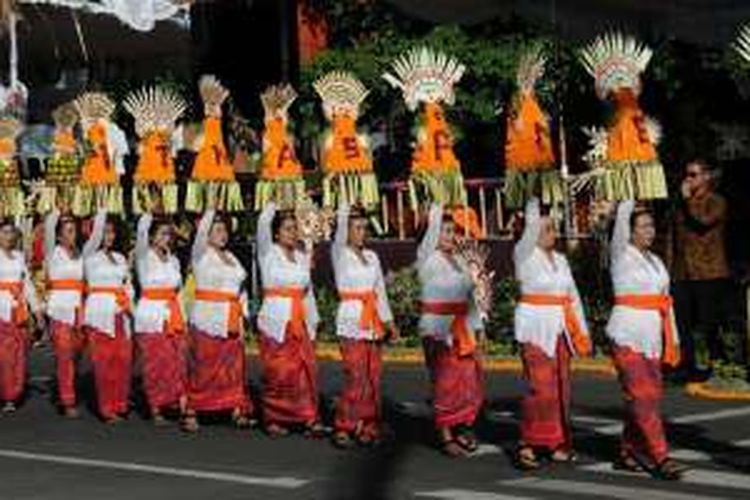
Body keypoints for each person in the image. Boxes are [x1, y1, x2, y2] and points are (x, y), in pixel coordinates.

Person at [608, 200, 686, 480]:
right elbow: (619, 224)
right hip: (626, 333)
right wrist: (627, 189)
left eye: (651, 225)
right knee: (642, 395)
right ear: (629, 232)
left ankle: (628, 451)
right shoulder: (620, 253)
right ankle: (660, 455)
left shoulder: (656, 261)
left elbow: (666, 303)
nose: (649, 231)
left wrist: (672, 340)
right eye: (642, 226)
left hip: (652, 335)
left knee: (647, 397)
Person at [513, 197, 591, 469]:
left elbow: (573, 297)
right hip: (535, 329)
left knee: (560, 388)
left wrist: (582, 331)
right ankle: (529, 443)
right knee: (540, 388)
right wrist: (532, 189)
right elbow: (532, 222)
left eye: (553, 228)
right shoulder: (523, 254)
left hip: (560, 328)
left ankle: (557, 443)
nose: (552, 234)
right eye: (546, 229)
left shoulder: (560, 259)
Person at [416, 204, 484, 457]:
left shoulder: (459, 260)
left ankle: (462, 426)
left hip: (462, 326)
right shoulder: (427, 256)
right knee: (445, 381)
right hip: (437, 327)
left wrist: (477, 329)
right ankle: (445, 435)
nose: (450, 236)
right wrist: (438, 202)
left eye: (452, 231)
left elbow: (469, 296)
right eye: (444, 231)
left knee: (468, 378)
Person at [330, 204, 398, 448]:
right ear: (346, 231)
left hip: (373, 322)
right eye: (357, 228)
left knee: (373, 376)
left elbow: (379, 290)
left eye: (364, 228)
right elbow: (338, 231)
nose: (362, 232)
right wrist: (347, 200)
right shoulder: (340, 254)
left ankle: (368, 424)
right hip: (351, 320)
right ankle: (345, 425)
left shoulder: (372, 257)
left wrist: (389, 322)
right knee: (355, 376)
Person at [256, 202, 322, 437]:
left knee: (305, 369)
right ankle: (275, 417)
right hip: (276, 321)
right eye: (287, 229)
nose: (293, 233)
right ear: (276, 233)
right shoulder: (268, 253)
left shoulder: (302, 257)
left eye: (295, 229)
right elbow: (263, 223)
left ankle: (308, 417)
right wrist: (276, 199)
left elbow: (308, 292)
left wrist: (313, 321)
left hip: (299, 319)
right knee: (279, 371)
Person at [188, 208, 253, 428]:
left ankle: (235, 408)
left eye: (224, 230)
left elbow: (241, 289)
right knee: (205, 365)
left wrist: (243, 317)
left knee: (233, 367)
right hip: (208, 316)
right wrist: (212, 205)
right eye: (217, 230)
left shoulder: (232, 258)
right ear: (206, 233)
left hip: (231, 317)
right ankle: (193, 409)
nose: (222, 234)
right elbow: (200, 232)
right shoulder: (200, 253)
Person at [670, 159, 731, 379]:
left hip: (709, 272)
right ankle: (687, 366)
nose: (688, 179)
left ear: (706, 177)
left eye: (693, 174)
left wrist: (687, 201)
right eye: (686, 174)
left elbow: (702, 222)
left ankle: (721, 367)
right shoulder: (681, 203)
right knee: (682, 322)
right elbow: (673, 238)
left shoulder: (716, 201)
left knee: (710, 324)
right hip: (683, 272)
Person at [134, 212, 192, 430]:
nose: (166, 238)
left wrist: (183, 318)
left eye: (168, 234)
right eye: (161, 234)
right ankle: (156, 406)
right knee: (155, 363)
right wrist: (151, 210)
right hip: (151, 316)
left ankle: (176, 402)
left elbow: (178, 292)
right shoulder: (143, 257)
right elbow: (141, 231)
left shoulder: (174, 260)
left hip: (173, 314)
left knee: (177, 362)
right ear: (150, 237)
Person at [83, 210, 134, 423]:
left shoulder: (121, 257)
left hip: (120, 313)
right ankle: (106, 408)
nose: (108, 236)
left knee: (122, 360)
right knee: (103, 362)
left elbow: (127, 283)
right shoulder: (88, 256)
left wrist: (130, 305)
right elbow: (94, 237)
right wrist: (104, 203)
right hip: (99, 314)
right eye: (104, 232)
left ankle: (120, 403)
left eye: (111, 232)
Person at [44, 209, 88, 417]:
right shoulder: (53, 252)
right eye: (68, 232)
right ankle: (67, 400)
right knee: (64, 356)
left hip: (79, 311)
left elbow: (96, 236)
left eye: (74, 231)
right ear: (60, 236)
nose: (73, 235)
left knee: (76, 356)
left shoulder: (81, 255)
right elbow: (48, 228)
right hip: (60, 311)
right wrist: (60, 208)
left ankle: (68, 388)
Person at [0, 219, 43, 412]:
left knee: (17, 354)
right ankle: (6, 393)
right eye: (4, 232)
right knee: (4, 355)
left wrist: (37, 310)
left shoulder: (18, 257)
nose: (8, 236)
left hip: (18, 311)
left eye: (11, 232)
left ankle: (12, 394)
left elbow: (27, 285)